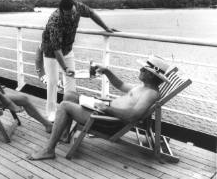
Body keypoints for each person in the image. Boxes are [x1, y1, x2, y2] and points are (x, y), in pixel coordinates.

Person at [28, 55, 170, 160]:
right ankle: (64, 135)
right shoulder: (144, 87)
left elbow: (132, 116)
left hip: (108, 121)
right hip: (105, 112)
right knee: (70, 95)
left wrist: (107, 109)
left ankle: (49, 150)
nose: (140, 70)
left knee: (65, 106)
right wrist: (107, 72)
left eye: (144, 69)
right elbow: (120, 85)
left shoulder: (150, 94)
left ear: (152, 75)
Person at [40, 0, 117, 121]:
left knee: (71, 79)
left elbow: (91, 13)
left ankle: (70, 110)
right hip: (51, 52)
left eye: (73, 13)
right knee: (53, 81)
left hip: (68, 49)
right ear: (62, 11)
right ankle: (51, 113)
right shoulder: (55, 20)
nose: (71, 16)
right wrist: (64, 68)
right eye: (68, 14)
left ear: (75, 7)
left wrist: (106, 27)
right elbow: (56, 50)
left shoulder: (78, 6)